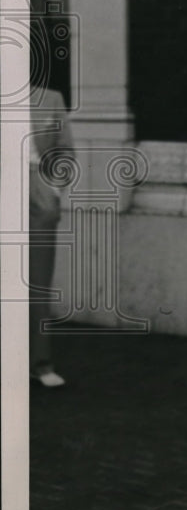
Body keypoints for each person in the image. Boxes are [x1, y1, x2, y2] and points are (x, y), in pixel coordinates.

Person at [29, 83, 75, 387]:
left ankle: (39, 364)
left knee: (37, 284)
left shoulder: (50, 98)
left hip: (38, 195)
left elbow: (65, 152)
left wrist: (53, 189)